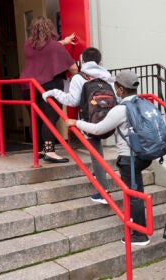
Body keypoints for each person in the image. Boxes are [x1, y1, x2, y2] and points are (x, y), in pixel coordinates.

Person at [65, 70, 151, 245]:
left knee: (134, 194)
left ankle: (140, 234)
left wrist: (76, 122)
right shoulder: (142, 103)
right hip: (144, 154)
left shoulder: (121, 110)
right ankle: (139, 226)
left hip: (129, 157)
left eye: (115, 87)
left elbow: (98, 129)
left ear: (119, 89)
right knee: (137, 191)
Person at [42, 47, 115, 204]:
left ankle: (103, 192)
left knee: (96, 153)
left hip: (90, 120)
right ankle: (100, 175)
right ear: (100, 62)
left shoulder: (79, 78)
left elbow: (72, 101)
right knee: (99, 151)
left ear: (82, 61)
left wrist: (53, 92)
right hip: (111, 120)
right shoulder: (107, 77)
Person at [20, 16, 78, 163]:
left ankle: (39, 150)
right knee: (50, 119)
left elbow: (44, 48)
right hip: (49, 86)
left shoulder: (28, 44)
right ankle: (50, 151)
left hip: (28, 87)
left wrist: (63, 42)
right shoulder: (55, 47)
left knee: (36, 118)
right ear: (50, 29)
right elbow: (73, 68)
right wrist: (78, 80)